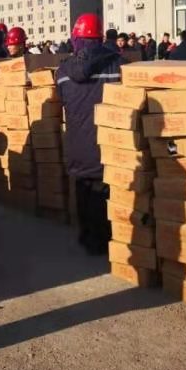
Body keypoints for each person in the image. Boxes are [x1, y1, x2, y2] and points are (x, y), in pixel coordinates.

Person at [56, 13, 122, 255]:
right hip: (104, 144)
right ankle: (103, 240)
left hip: (76, 144)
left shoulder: (63, 71)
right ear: (100, 38)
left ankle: (87, 237)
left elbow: (62, 100)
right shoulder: (117, 65)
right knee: (102, 193)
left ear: (76, 38)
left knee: (83, 189)